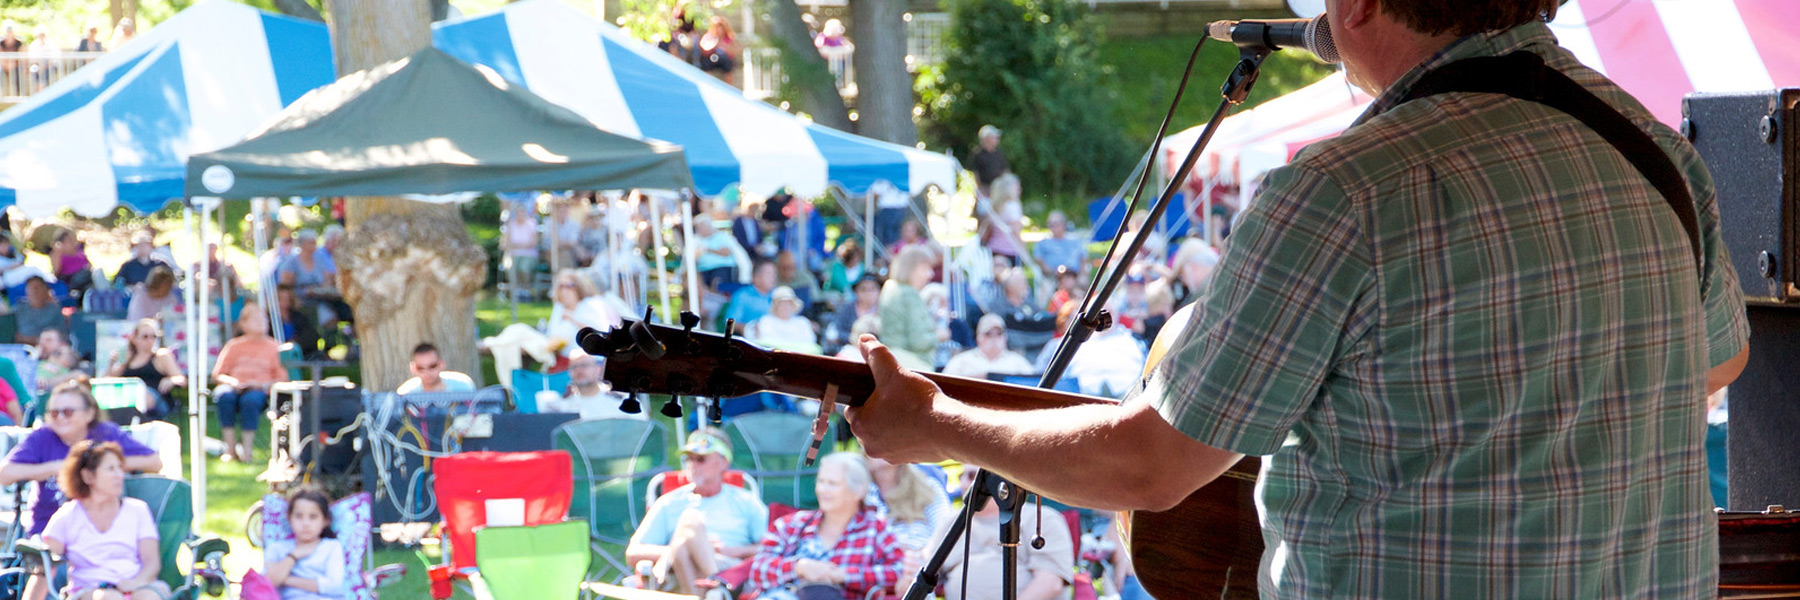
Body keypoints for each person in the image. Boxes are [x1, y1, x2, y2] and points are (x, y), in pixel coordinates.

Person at [843, 0, 1754, 596]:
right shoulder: (1653, 149)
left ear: (1357, 6)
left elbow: (1150, 468)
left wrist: (936, 424)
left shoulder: (1343, 189)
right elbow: (1721, 357)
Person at [0, 382, 162, 540]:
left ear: (89, 414)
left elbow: (154, 462)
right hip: (49, 532)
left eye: (68, 412)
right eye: (54, 413)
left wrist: (102, 465)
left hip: (104, 531)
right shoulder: (43, 437)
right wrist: (55, 467)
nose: (60, 418)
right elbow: (5, 474)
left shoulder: (105, 434)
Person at [627, 430, 768, 596]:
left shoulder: (745, 502)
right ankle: (717, 588)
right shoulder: (668, 502)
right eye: (689, 459)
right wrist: (680, 548)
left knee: (687, 525)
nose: (692, 465)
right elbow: (632, 552)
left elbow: (772, 548)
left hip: (729, 566)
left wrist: (735, 550)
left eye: (701, 459)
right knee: (689, 524)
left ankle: (715, 585)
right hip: (677, 572)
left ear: (724, 462)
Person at [749, 453, 901, 600]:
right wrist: (799, 567)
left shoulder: (876, 530)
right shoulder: (791, 525)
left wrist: (844, 575)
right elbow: (757, 570)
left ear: (858, 491)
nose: (822, 489)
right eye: (821, 481)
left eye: (832, 484)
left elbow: (899, 571)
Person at [39, 440, 169, 600]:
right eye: (111, 469)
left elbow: (151, 562)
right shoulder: (67, 516)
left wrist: (136, 582)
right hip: (88, 590)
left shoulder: (138, 510)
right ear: (87, 476)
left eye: (120, 468)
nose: (120, 475)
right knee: (107, 598)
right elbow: (43, 567)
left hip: (136, 584)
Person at [924, 467, 1073, 600]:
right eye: (960, 476)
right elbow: (925, 573)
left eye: (971, 476)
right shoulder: (951, 523)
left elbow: (1050, 582)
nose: (963, 484)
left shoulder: (1042, 519)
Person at [211, 303, 284, 463]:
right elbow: (218, 374)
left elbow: (282, 377)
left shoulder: (275, 347)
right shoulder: (234, 345)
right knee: (224, 397)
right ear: (244, 323)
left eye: (263, 318)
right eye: (256, 319)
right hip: (234, 386)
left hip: (260, 389)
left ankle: (247, 451)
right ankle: (230, 449)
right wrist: (233, 382)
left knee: (250, 401)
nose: (261, 322)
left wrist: (262, 384)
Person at [863, 456, 950, 585]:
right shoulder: (859, 492)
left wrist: (919, 555)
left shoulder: (927, 486)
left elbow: (945, 531)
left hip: (924, 564)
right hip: (877, 569)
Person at [264, 485, 349, 600]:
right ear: (289, 518)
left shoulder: (331, 547)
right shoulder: (277, 548)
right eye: (299, 516)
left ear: (325, 521)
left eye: (313, 517)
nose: (305, 523)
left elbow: (335, 586)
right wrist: (293, 556)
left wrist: (285, 579)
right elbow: (267, 582)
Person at [104, 319, 186, 421]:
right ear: (135, 338)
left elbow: (181, 379)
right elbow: (108, 380)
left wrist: (170, 380)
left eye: (153, 336)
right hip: (129, 396)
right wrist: (111, 364)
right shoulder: (128, 358)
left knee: (142, 394)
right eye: (145, 337)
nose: (150, 340)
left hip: (155, 398)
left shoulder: (160, 356)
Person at [877, 246, 939, 365]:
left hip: (891, 360)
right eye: (926, 268)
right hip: (910, 365)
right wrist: (938, 336)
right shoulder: (909, 294)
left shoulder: (889, 287)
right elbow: (919, 342)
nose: (930, 274)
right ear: (912, 269)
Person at [537, 354, 638, 420]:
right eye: (574, 367)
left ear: (598, 369)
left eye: (584, 365)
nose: (579, 370)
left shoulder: (620, 401)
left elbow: (643, 429)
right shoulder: (562, 406)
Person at [941, 314, 1033, 380]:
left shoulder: (1018, 362)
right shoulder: (961, 361)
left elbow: (1034, 386)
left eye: (999, 333)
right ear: (978, 337)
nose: (994, 338)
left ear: (1005, 337)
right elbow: (944, 385)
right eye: (988, 334)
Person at [746, 287, 817, 353]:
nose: (785, 307)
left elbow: (810, 344)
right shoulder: (766, 321)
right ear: (775, 306)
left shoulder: (802, 322)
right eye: (781, 304)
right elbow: (766, 342)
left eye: (788, 304)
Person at [825, 275, 880, 355]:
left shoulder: (883, 310)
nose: (868, 293)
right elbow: (837, 330)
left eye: (872, 289)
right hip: (849, 349)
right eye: (863, 289)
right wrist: (853, 339)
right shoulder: (847, 309)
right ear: (856, 292)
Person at [395, 343, 474, 395]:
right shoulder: (405, 393)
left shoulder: (462, 386)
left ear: (441, 364)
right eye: (420, 368)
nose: (427, 372)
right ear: (413, 368)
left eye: (432, 366)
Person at [693, 217, 745, 292]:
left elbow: (726, 252)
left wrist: (707, 249)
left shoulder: (722, 237)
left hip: (722, 268)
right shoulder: (695, 239)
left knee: (717, 285)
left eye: (702, 226)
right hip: (702, 270)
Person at [1165, 238, 1219, 309]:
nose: (1183, 282)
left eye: (1182, 274)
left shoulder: (1205, 293)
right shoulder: (1217, 280)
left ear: (1193, 266)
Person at [724, 261, 778, 332]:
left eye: (774, 274)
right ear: (756, 277)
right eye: (769, 274)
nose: (773, 278)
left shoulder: (778, 295)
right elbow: (729, 323)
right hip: (751, 339)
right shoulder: (742, 296)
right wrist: (746, 328)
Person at [1032, 211, 1085, 277]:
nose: (1052, 227)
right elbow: (1038, 260)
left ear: (1064, 225)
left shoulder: (1075, 241)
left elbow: (1084, 260)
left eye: (1055, 224)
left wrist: (1083, 276)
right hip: (1052, 277)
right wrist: (1053, 272)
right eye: (1050, 224)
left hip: (1074, 276)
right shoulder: (1043, 243)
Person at [14, 276, 66, 343]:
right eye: (31, 288)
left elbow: (61, 335)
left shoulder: (54, 310)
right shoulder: (19, 309)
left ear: (45, 290)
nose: (34, 291)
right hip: (21, 348)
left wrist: (33, 340)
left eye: (37, 288)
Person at [276, 284, 321, 360]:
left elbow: (311, 336)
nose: (285, 302)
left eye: (288, 299)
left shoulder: (299, 317)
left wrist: (294, 343)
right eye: (281, 299)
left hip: (300, 353)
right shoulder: (267, 319)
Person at [47, 230, 92, 301]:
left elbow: (88, 264)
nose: (73, 242)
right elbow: (56, 271)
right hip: (71, 279)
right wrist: (58, 252)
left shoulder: (79, 251)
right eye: (69, 240)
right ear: (62, 243)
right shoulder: (57, 253)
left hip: (86, 276)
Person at [967, 125, 1009, 199]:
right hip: (984, 189)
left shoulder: (998, 153)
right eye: (995, 137)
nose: (997, 139)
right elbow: (975, 173)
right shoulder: (977, 154)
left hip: (998, 189)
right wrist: (980, 189)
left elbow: (1004, 170)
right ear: (987, 138)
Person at [699, 15, 738, 85]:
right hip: (711, 58)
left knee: (728, 64)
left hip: (724, 59)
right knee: (706, 63)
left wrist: (724, 48)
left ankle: (728, 87)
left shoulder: (729, 38)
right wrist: (714, 45)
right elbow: (704, 50)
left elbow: (733, 52)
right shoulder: (708, 37)